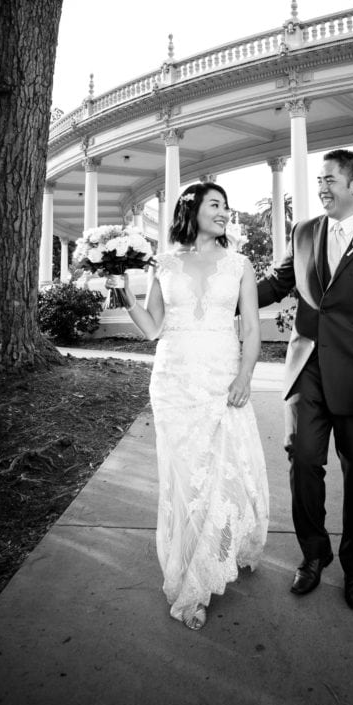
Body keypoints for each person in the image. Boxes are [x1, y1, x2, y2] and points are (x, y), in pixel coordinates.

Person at [257, 148, 353, 611]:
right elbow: (276, 282)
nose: (321, 187)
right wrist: (220, 290)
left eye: (329, 180)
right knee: (303, 460)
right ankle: (313, 552)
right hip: (306, 371)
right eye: (319, 180)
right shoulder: (304, 231)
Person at [118, 182, 269, 631]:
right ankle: (188, 577)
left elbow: (253, 328)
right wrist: (124, 292)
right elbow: (152, 329)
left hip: (223, 379)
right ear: (193, 210)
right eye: (215, 205)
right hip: (174, 381)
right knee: (184, 478)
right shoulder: (163, 263)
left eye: (227, 205)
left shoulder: (241, 264)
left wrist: (245, 375)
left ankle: (213, 559)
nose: (224, 212)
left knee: (224, 469)